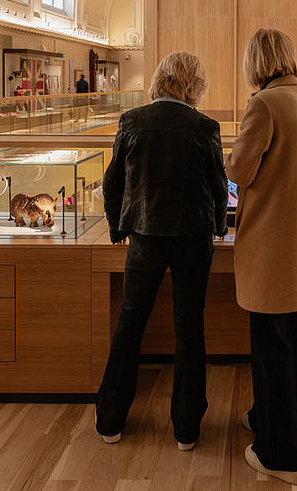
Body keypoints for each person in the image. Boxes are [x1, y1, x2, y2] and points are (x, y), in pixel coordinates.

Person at [96, 51, 227, 451]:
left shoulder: (132, 121)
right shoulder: (205, 127)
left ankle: (110, 420)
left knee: (130, 322)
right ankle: (186, 428)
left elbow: (113, 183)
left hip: (145, 237)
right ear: (195, 84)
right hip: (193, 238)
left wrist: (118, 227)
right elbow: (218, 187)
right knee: (189, 327)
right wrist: (220, 227)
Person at [227, 28, 297, 486]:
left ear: (257, 61)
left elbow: (238, 169)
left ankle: (283, 456)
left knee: (271, 351)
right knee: (284, 345)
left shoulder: (264, 104)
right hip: (293, 243)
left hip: (268, 245)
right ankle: (263, 417)